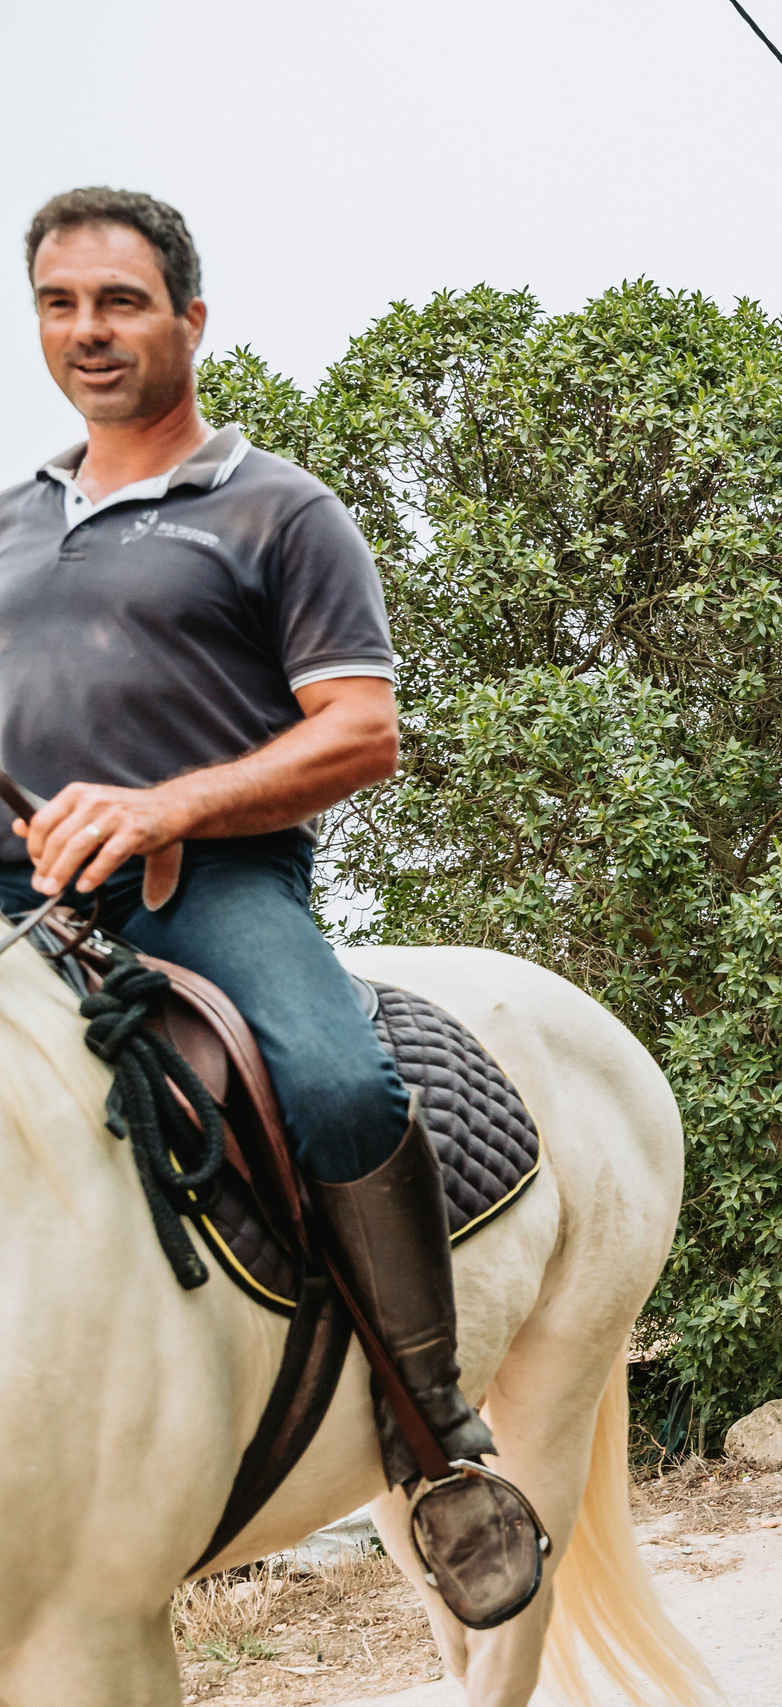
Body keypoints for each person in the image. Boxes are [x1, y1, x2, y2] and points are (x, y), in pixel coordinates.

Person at [6, 191, 505, 1550]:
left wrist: (165, 804)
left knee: (342, 1082)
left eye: (120, 300)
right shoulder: (7, 522)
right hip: (14, 893)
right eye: (59, 303)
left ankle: (438, 1429)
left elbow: (360, 731)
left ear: (190, 319)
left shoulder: (280, 509)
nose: (87, 331)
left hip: (205, 891)